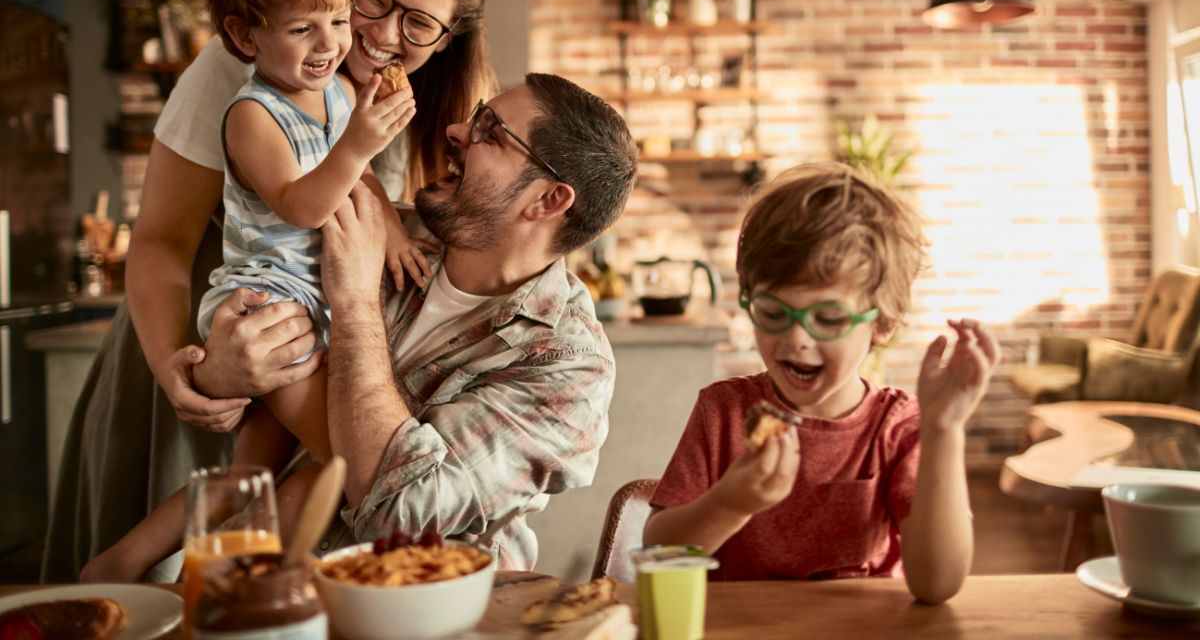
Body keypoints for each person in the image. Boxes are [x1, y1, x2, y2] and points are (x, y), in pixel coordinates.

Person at [44, 0, 494, 582]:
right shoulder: (251, 74)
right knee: (349, 468)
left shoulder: (370, 92)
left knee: (270, 493)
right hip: (206, 346)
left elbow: (352, 181)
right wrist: (182, 373)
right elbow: (163, 240)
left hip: (311, 331)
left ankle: (221, 584)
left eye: (420, 23)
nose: (377, 34)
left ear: (446, 39)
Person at [302, 73, 636, 568]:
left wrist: (353, 303)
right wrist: (210, 374)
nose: (457, 131)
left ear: (548, 201)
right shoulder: (374, 227)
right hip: (261, 585)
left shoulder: (570, 368)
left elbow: (401, 513)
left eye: (491, 132)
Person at [643, 162, 997, 604]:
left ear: (882, 323)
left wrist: (944, 429)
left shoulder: (897, 426)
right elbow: (657, 553)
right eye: (773, 313)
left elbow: (938, 583)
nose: (795, 339)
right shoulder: (724, 411)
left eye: (827, 318)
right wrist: (730, 504)